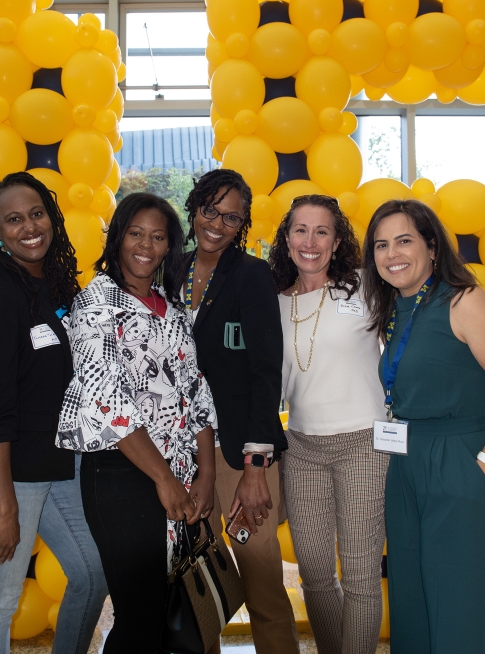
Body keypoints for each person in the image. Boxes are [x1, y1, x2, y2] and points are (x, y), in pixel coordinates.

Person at [362, 199, 485, 654]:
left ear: (433, 247)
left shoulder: (466, 302)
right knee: (413, 597)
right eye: (381, 245)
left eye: (404, 240)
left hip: (461, 461)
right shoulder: (398, 308)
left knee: (464, 600)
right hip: (406, 464)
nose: (391, 253)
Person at [56, 192, 217, 654]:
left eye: (158, 236)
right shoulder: (94, 306)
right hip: (124, 476)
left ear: (170, 247)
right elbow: (108, 400)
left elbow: (196, 389)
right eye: (135, 233)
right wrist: (166, 480)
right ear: (118, 238)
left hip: (182, 473)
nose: (146, 244)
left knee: (167, 609)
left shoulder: (172, 307)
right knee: (139, 617)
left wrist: (205, 475)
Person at [0, 173, 106, 654]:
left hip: (52, 464)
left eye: (36, 214)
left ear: (51, 218)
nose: (29, 227)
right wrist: (5, 508)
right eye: (13, 220)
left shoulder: (56, 284)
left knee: (92, 573)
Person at [180, 169, 298, 654]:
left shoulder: (251, 276)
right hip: (182, 453)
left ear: (243, 224)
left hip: (240, 455)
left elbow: (266, 372)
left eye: (232, 217)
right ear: (193, 208)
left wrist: (254, 468)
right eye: (210, 210)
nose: (218, 224)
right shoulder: (167, 267)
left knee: (260, 573)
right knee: (195, 578)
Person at [269, 194, 388, 654]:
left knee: (359, 577)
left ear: (338, 241)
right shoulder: (272, 303)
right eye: (301, 230)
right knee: (315, 576)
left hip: (364, 442)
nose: (311, 241)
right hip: (301, 447)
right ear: (287, 238)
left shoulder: (367, 284)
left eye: (322, 231)